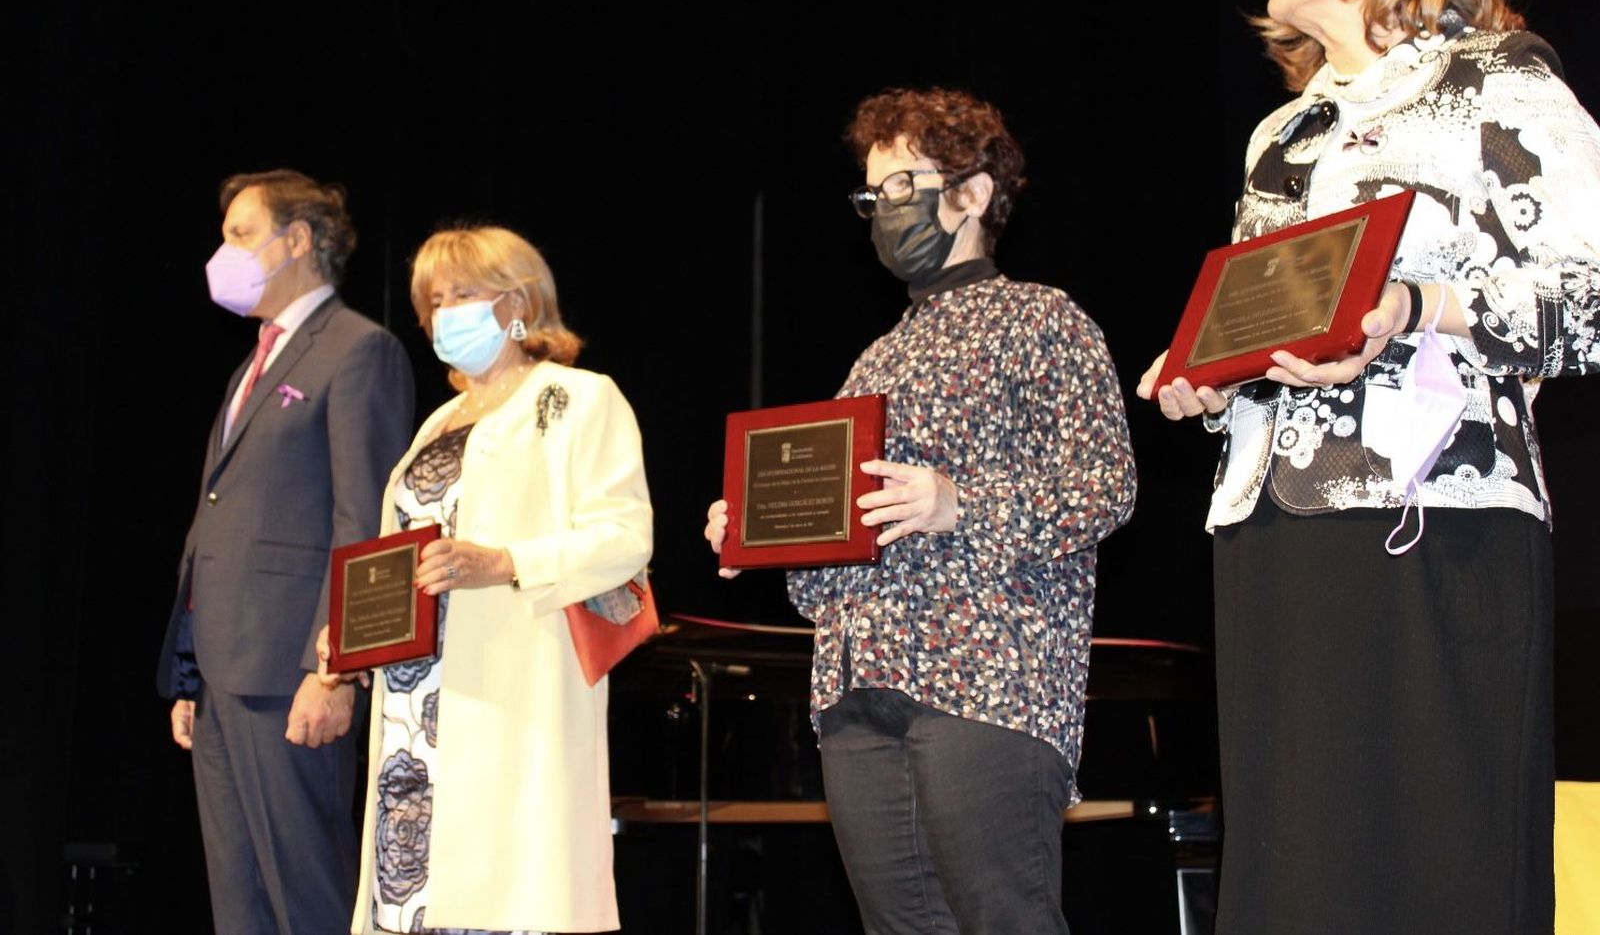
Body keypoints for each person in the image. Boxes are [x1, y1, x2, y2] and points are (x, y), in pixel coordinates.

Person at [1136, 0, 1600, 935]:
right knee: (1302, 857)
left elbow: (1582, 293)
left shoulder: (1496, 81)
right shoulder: (1280, 136)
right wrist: (1208, 377)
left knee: (1431, 847)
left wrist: (1413, 308)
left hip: (1432, 514)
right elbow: (1274, 320)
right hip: (1272, 525)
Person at [705, 87, 1138, 934]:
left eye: (901, 186)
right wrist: (761, 536)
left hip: (991, 686)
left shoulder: (1045, 319)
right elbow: (822, 578)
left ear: (971, 194)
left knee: (1004, 920)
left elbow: (1104, 485)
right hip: (857, 690)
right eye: (871, 196)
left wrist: (960, 506)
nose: (880, 211)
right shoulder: (873, 360)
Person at [320, 224, 653, 934]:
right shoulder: (439, 422)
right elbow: (400, 558)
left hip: (512, 688)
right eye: (434, 301)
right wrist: (348, 639)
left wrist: (505, 562)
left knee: (508, 895)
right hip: (414, 706)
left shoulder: (578, 398)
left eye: (463, 294)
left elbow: (625, 537)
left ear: (518, 301)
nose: (445, 313)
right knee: (414, 901)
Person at [155, 169, 417, 934]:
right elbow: (220, 521)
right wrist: (189, 670)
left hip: (290, 676)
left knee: (306, 898)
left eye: (240, 233)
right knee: (241, 907)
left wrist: (333, 667)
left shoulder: (358, 351)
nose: (222, 252)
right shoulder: (254, 363)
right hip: (221, 677)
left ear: (296, 241)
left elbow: (364, 524)